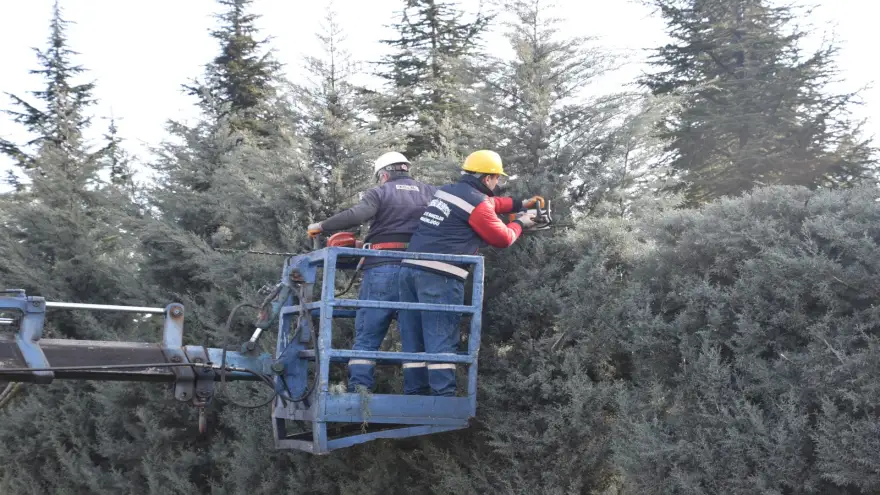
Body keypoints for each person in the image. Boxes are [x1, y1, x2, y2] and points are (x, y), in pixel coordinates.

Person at [396, 150, 541, 396]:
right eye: (497, 180)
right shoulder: (477, 203)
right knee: (440, 336)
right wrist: (521, 223)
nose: (498, 185)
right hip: (439, 276)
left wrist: (519, 203)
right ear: (487, 179)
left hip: (409, 270)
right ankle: (442, 399)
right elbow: (503, 238)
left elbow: (491, 203)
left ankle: (415, 393)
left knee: (414, 337)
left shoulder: (448, 191)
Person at [307, 151, 437, 393]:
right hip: (418, 271)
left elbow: (358, 214)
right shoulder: (431, 192)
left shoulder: (380, 192)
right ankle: (416, 392)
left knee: (369, 332)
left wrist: (321, 226)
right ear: (406, 169)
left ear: (384, 174)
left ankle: (360, 390)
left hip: (382, 268)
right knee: (413, 335)